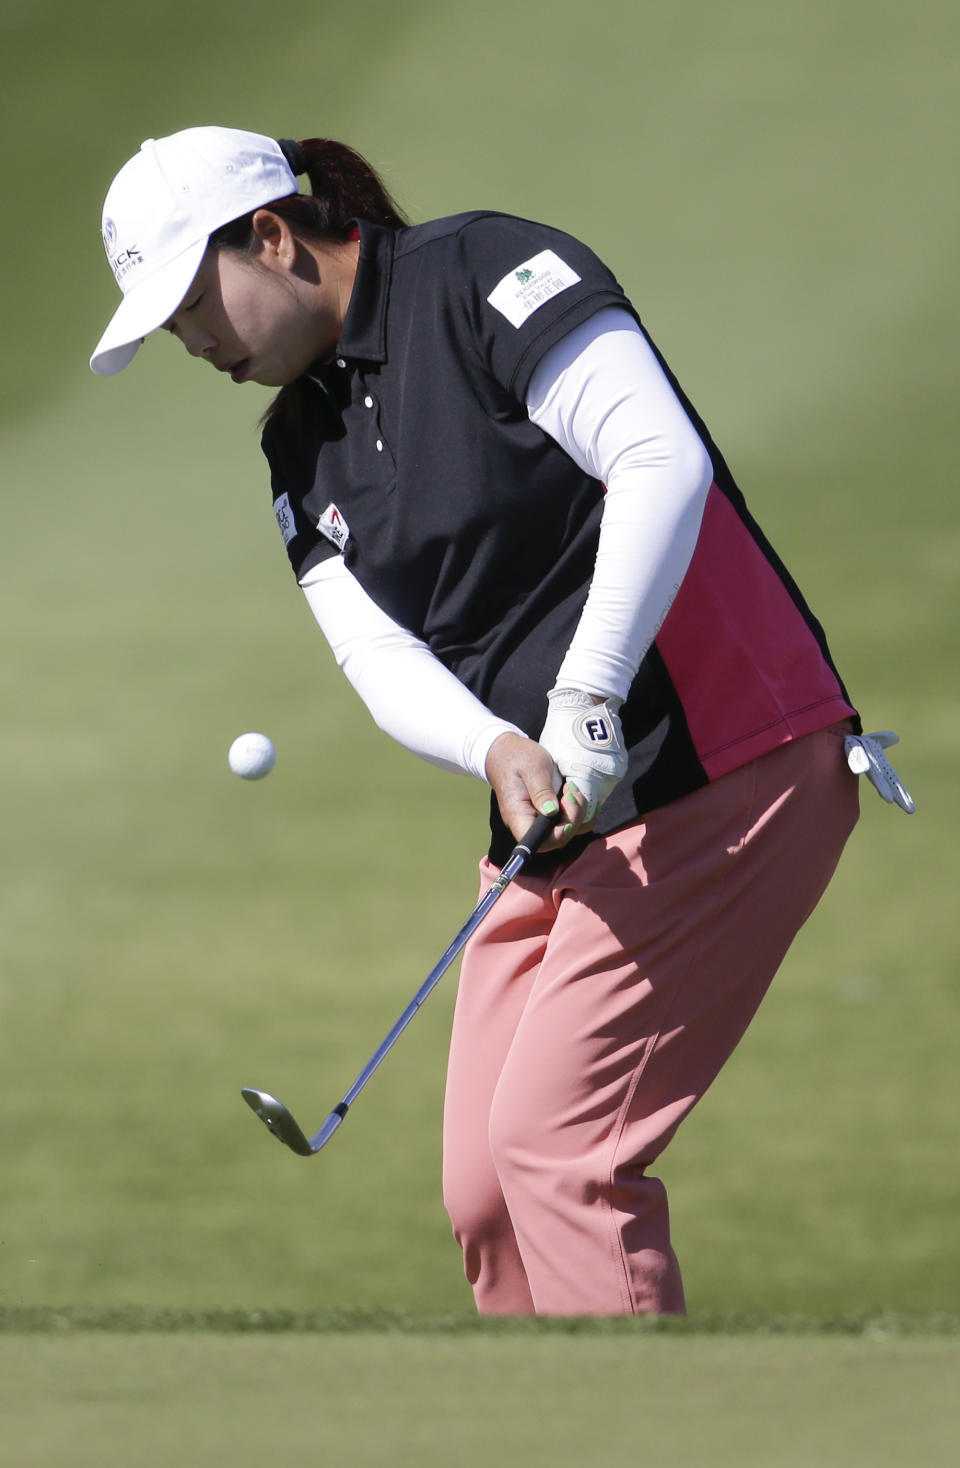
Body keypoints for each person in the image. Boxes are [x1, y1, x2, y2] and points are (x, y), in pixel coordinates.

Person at [90, 126, 913, 1316]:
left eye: (192, 302)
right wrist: (495, 744)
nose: (193, 339)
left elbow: (656, 458)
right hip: (564, 818)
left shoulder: (483, 276)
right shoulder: (295, 450)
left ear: (271, 236)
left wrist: (581, 695)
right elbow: (377, 651)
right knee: (486, 1194)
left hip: (729, 757)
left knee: (560, 1154)